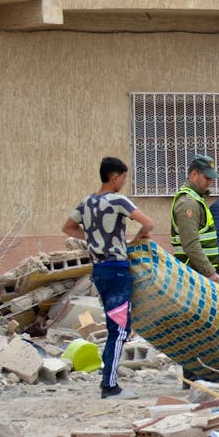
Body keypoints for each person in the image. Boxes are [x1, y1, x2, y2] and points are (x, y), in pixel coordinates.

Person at [62, 156, 153, 400]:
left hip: (99, 270)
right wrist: (135, 240)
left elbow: (68, 227)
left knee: (114, 326)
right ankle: (110, 385)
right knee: (120, 329)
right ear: (115, 177)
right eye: (124, 177)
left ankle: (109, 381)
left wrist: (93, 239)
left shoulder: (86, 203)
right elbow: (148, 223)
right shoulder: (118, 200)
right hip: (117, 269)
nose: (124, 182)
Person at [170, 154, 219, 283]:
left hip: (198, 272)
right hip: (193, 273)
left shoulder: (196, 199)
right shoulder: (188, 203)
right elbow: (191, 244)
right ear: (194, 175)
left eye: (211, 178)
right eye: (207, 178)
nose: (210, 182)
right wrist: (210, 272)